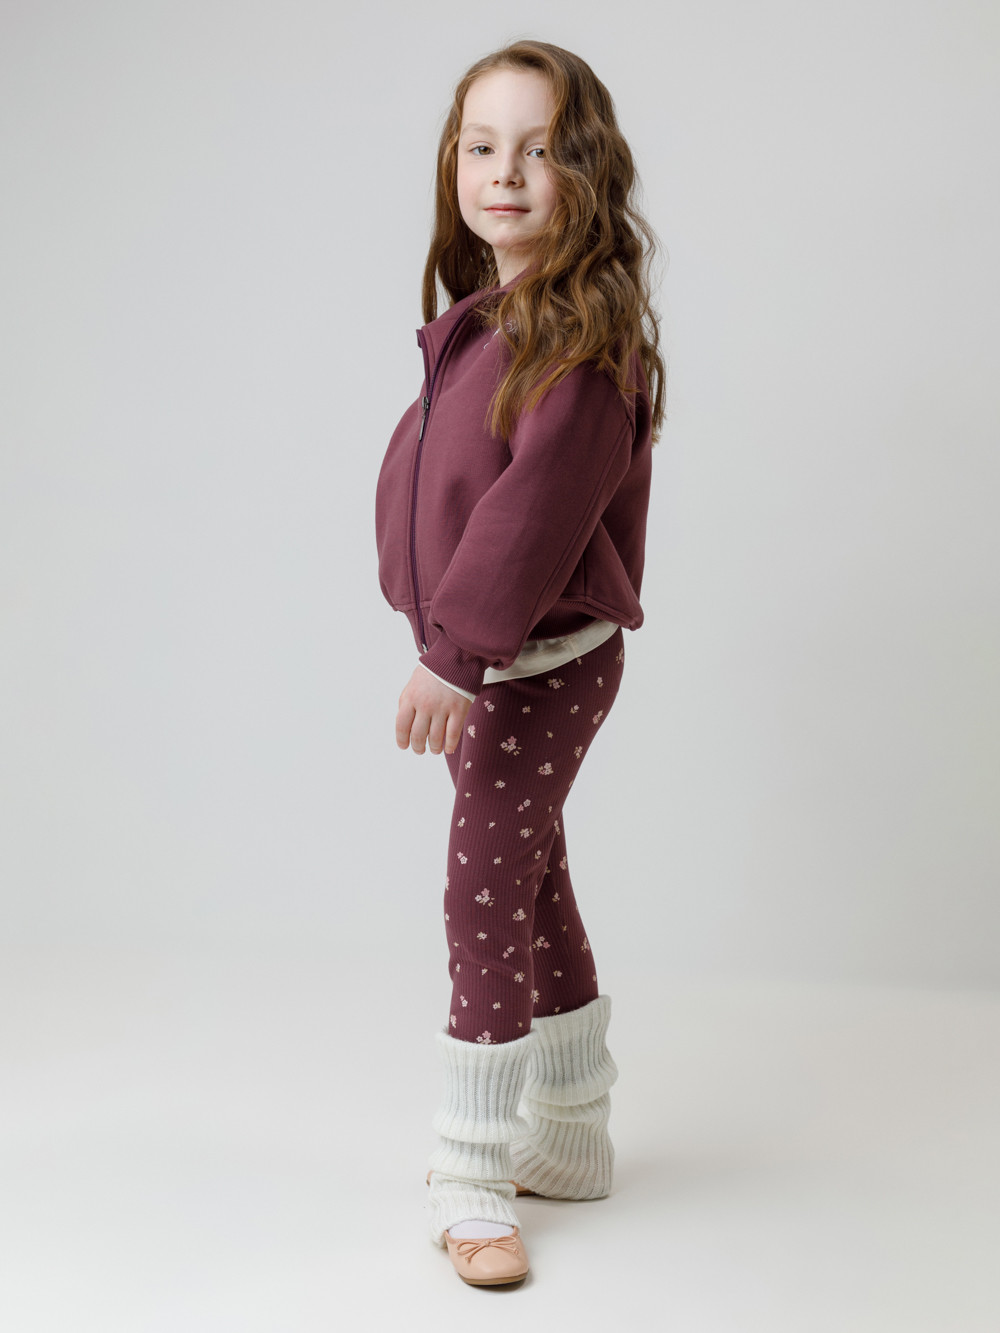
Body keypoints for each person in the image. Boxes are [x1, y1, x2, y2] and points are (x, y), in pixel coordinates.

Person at [375, 39, 664, 1287]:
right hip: (497, 654)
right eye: (481, 147)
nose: (503, 173)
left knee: (480, 892)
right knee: (529, 881)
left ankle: (472, 1172)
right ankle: (575, 1134)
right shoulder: (490, 320)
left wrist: (453, 654)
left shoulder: (579, 341)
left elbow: (533, 515)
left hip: (529, 659)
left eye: (538, 150)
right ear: (455, 166)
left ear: (584, 171)